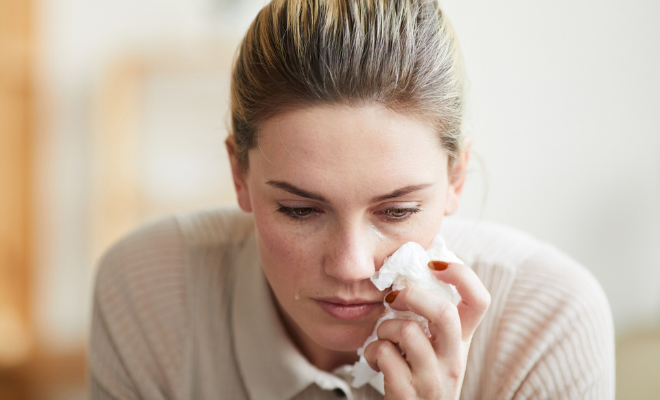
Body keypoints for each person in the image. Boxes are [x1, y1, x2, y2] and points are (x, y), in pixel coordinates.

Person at [89, 0, 615, 399]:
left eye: (397, 211)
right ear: (239, 173)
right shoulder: (149, 294)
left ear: (456, 178)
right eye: (300, 210)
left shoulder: (548, 324)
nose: (351, 265)